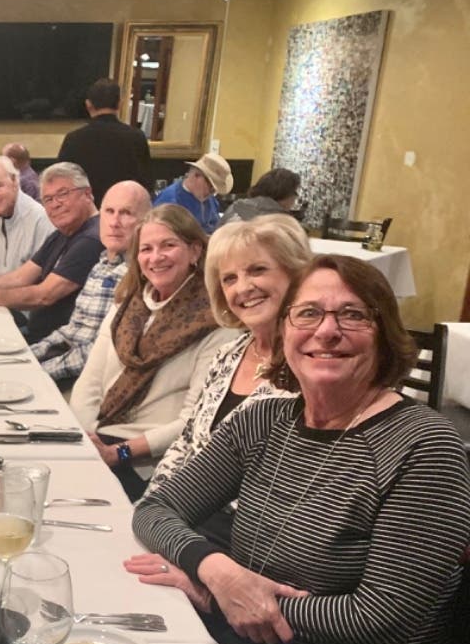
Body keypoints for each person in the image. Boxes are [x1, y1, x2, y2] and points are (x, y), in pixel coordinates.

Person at [128, 254, 470, 644]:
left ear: (384, 332)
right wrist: (216, 567)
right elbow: (154, 510)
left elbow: (382, 618)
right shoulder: (263, 421)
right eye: (307, 313)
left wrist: (218, 598)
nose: (326, 331)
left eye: (351, 316)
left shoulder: (426, 447)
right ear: (283, 331)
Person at [143, 215, 312, 545]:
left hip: (250, 540)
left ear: (295, 274)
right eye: (229, 278)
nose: (243, 288)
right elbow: (187, 444)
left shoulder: (313, 363)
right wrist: (149, 509)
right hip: (187, 518)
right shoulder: (231, 352)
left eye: (258, 270)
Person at [70, 204, 237, 501]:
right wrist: (85, 439)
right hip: (99, 438)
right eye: (146, 249)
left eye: (168, 245)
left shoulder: (216, 322)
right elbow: (90, 381)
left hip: (148, 463)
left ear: (195, 251)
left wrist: (117, 453)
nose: (155, 257)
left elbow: (194, 420)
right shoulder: (127, 306)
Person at [0, 162, 100, 341]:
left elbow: (44, 295)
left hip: (53, 342)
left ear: (87, 194)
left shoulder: (91, 239)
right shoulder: (65, 231)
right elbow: (21, 276)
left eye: (63, 194)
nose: (55, 205)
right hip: (37, 333)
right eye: (48, 199)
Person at [30, 181, 151, 389]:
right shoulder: (103, 262)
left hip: (88, 384)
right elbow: (71, 332)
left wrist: (39, 372)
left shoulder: (141, 275)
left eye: (126, 213)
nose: (114, 222)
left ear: (145, 222)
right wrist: (29, 357)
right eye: (109, 211)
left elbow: (99, 354)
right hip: (63, 367)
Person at [56, 78, 151, 205]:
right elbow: (144, 183)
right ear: (119, 104)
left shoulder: (74, 139)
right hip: (125, 211)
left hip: (85, 213)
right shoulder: (136, 137)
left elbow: (62, 183)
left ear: (88, 104)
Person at [153, 152, 232, 234]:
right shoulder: (170, 203)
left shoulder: (208, 198)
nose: (212, 191)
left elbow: (215, 224)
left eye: (215, 188)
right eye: (210, 185)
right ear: (196, 175)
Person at [218, 167, 301, 227]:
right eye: (295, 193)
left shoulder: (235, 207)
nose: (295, 198)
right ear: (286, 193)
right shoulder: (283, 222)